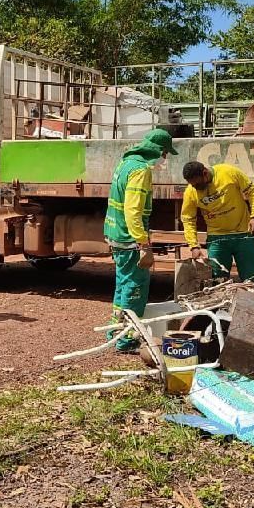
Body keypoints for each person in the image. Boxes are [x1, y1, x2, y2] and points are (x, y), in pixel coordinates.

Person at [103, 128, 179, 352]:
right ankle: (127, 340)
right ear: (158, 151)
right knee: (135, 289)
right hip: (130, 240)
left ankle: (116, 331)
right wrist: (143, 244)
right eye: (165, 154)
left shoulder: (125, 163)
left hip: (116, 234)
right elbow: (133, 211)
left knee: (122, 287)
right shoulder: (141, 170)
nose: (164, 159)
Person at [180, 161, 254, 285]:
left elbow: (252, 191)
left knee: (250, 281)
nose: (195, 188)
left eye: (197, 184)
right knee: (218, 283)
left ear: (205, 173)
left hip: (244, 235)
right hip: (217, 240)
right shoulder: (190, 192)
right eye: (192, 185)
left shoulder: (228, 172)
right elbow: (188, 219)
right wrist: (194, 246)